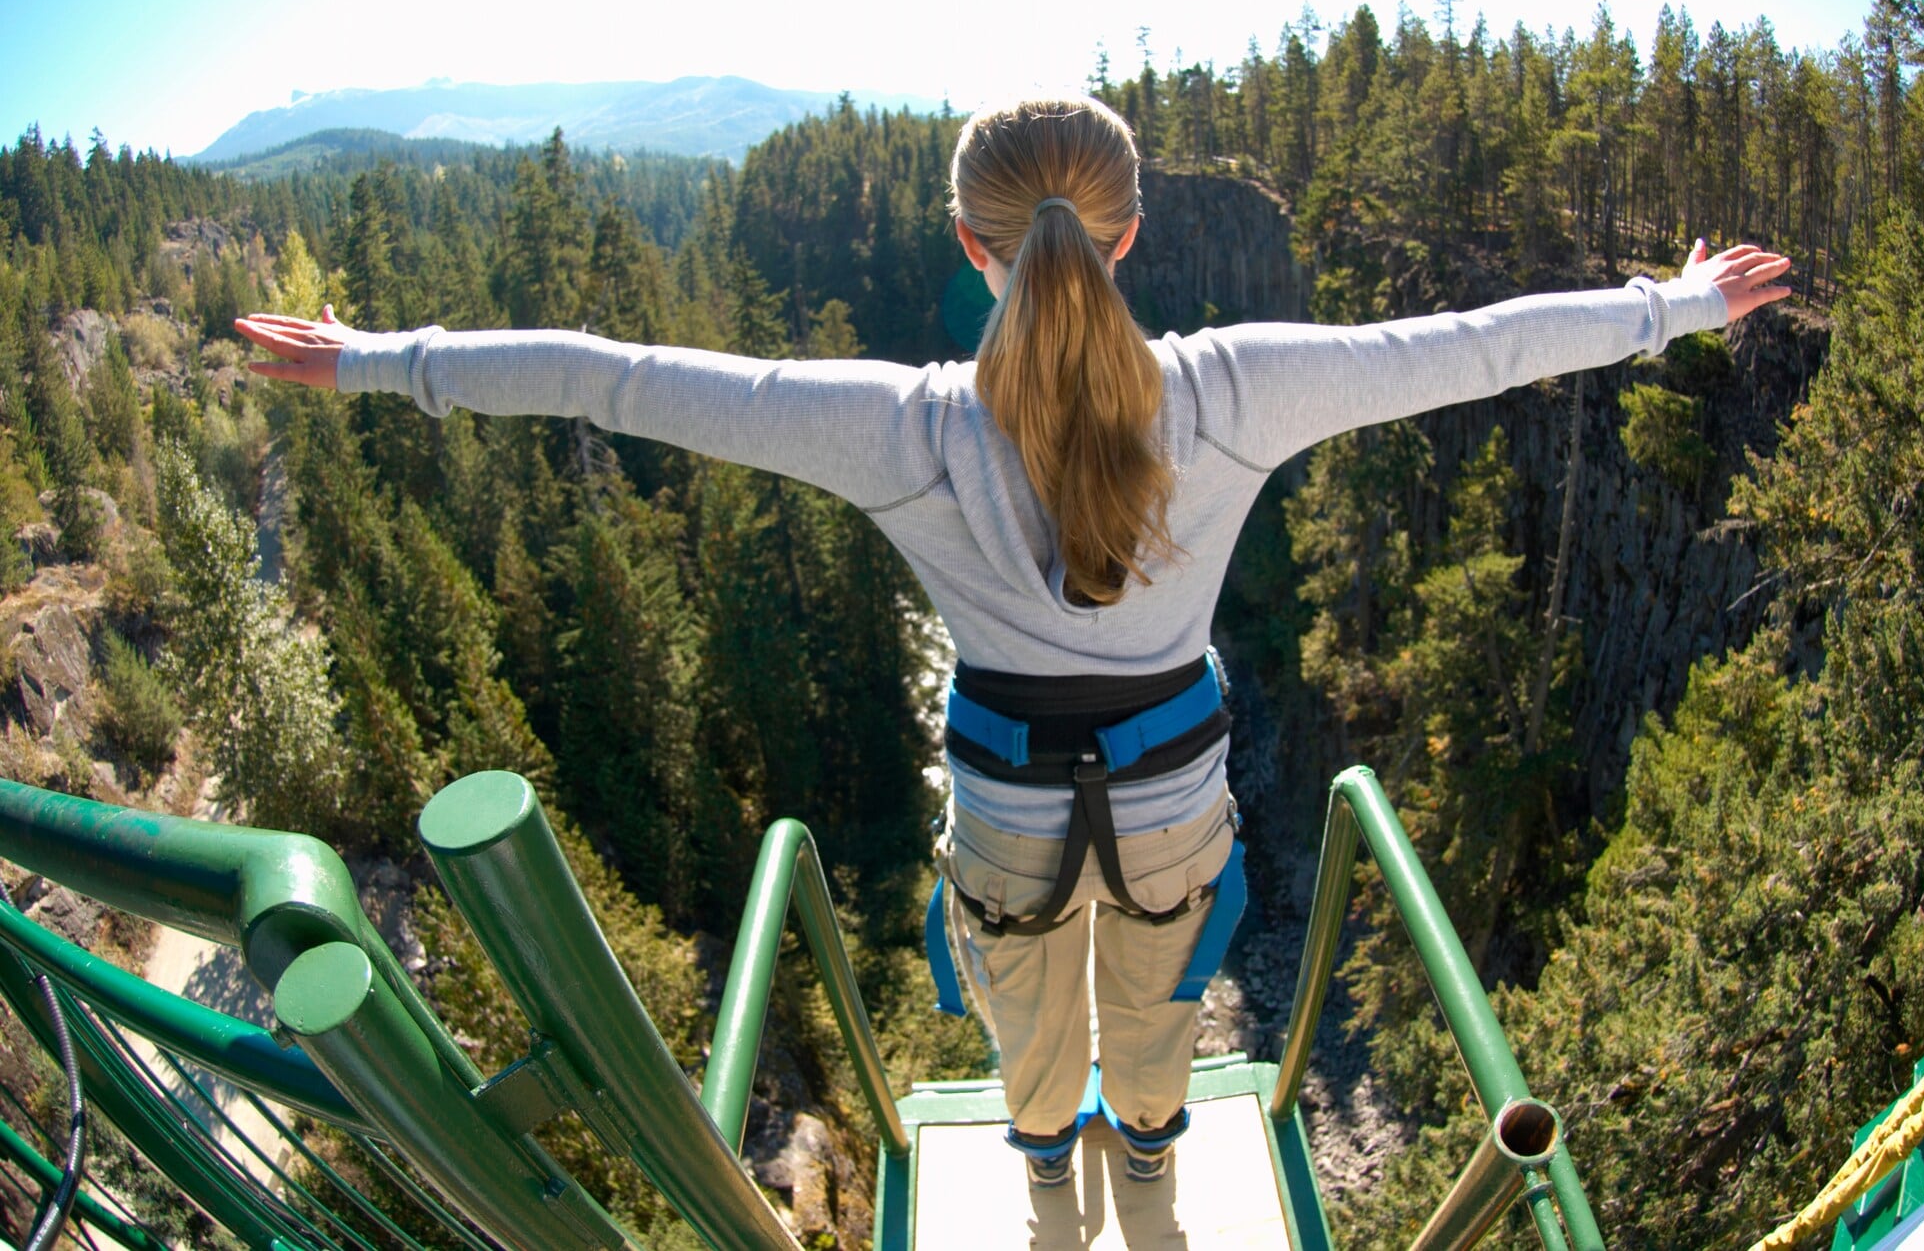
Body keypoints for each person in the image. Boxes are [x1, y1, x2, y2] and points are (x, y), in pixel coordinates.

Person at [236, 96, 1790, 1192]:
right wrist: (1675, 304)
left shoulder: (904, 428)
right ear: (1129, 238)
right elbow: (1468, 350)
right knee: (1165, 1009)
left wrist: (385, 358)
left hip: (1005, 815)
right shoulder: (1238, 389)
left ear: (970, 245)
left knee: (1031, 1021)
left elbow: (620, 376)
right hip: (1178, 795)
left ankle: (1047, 1180)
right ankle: (1156, 1163)